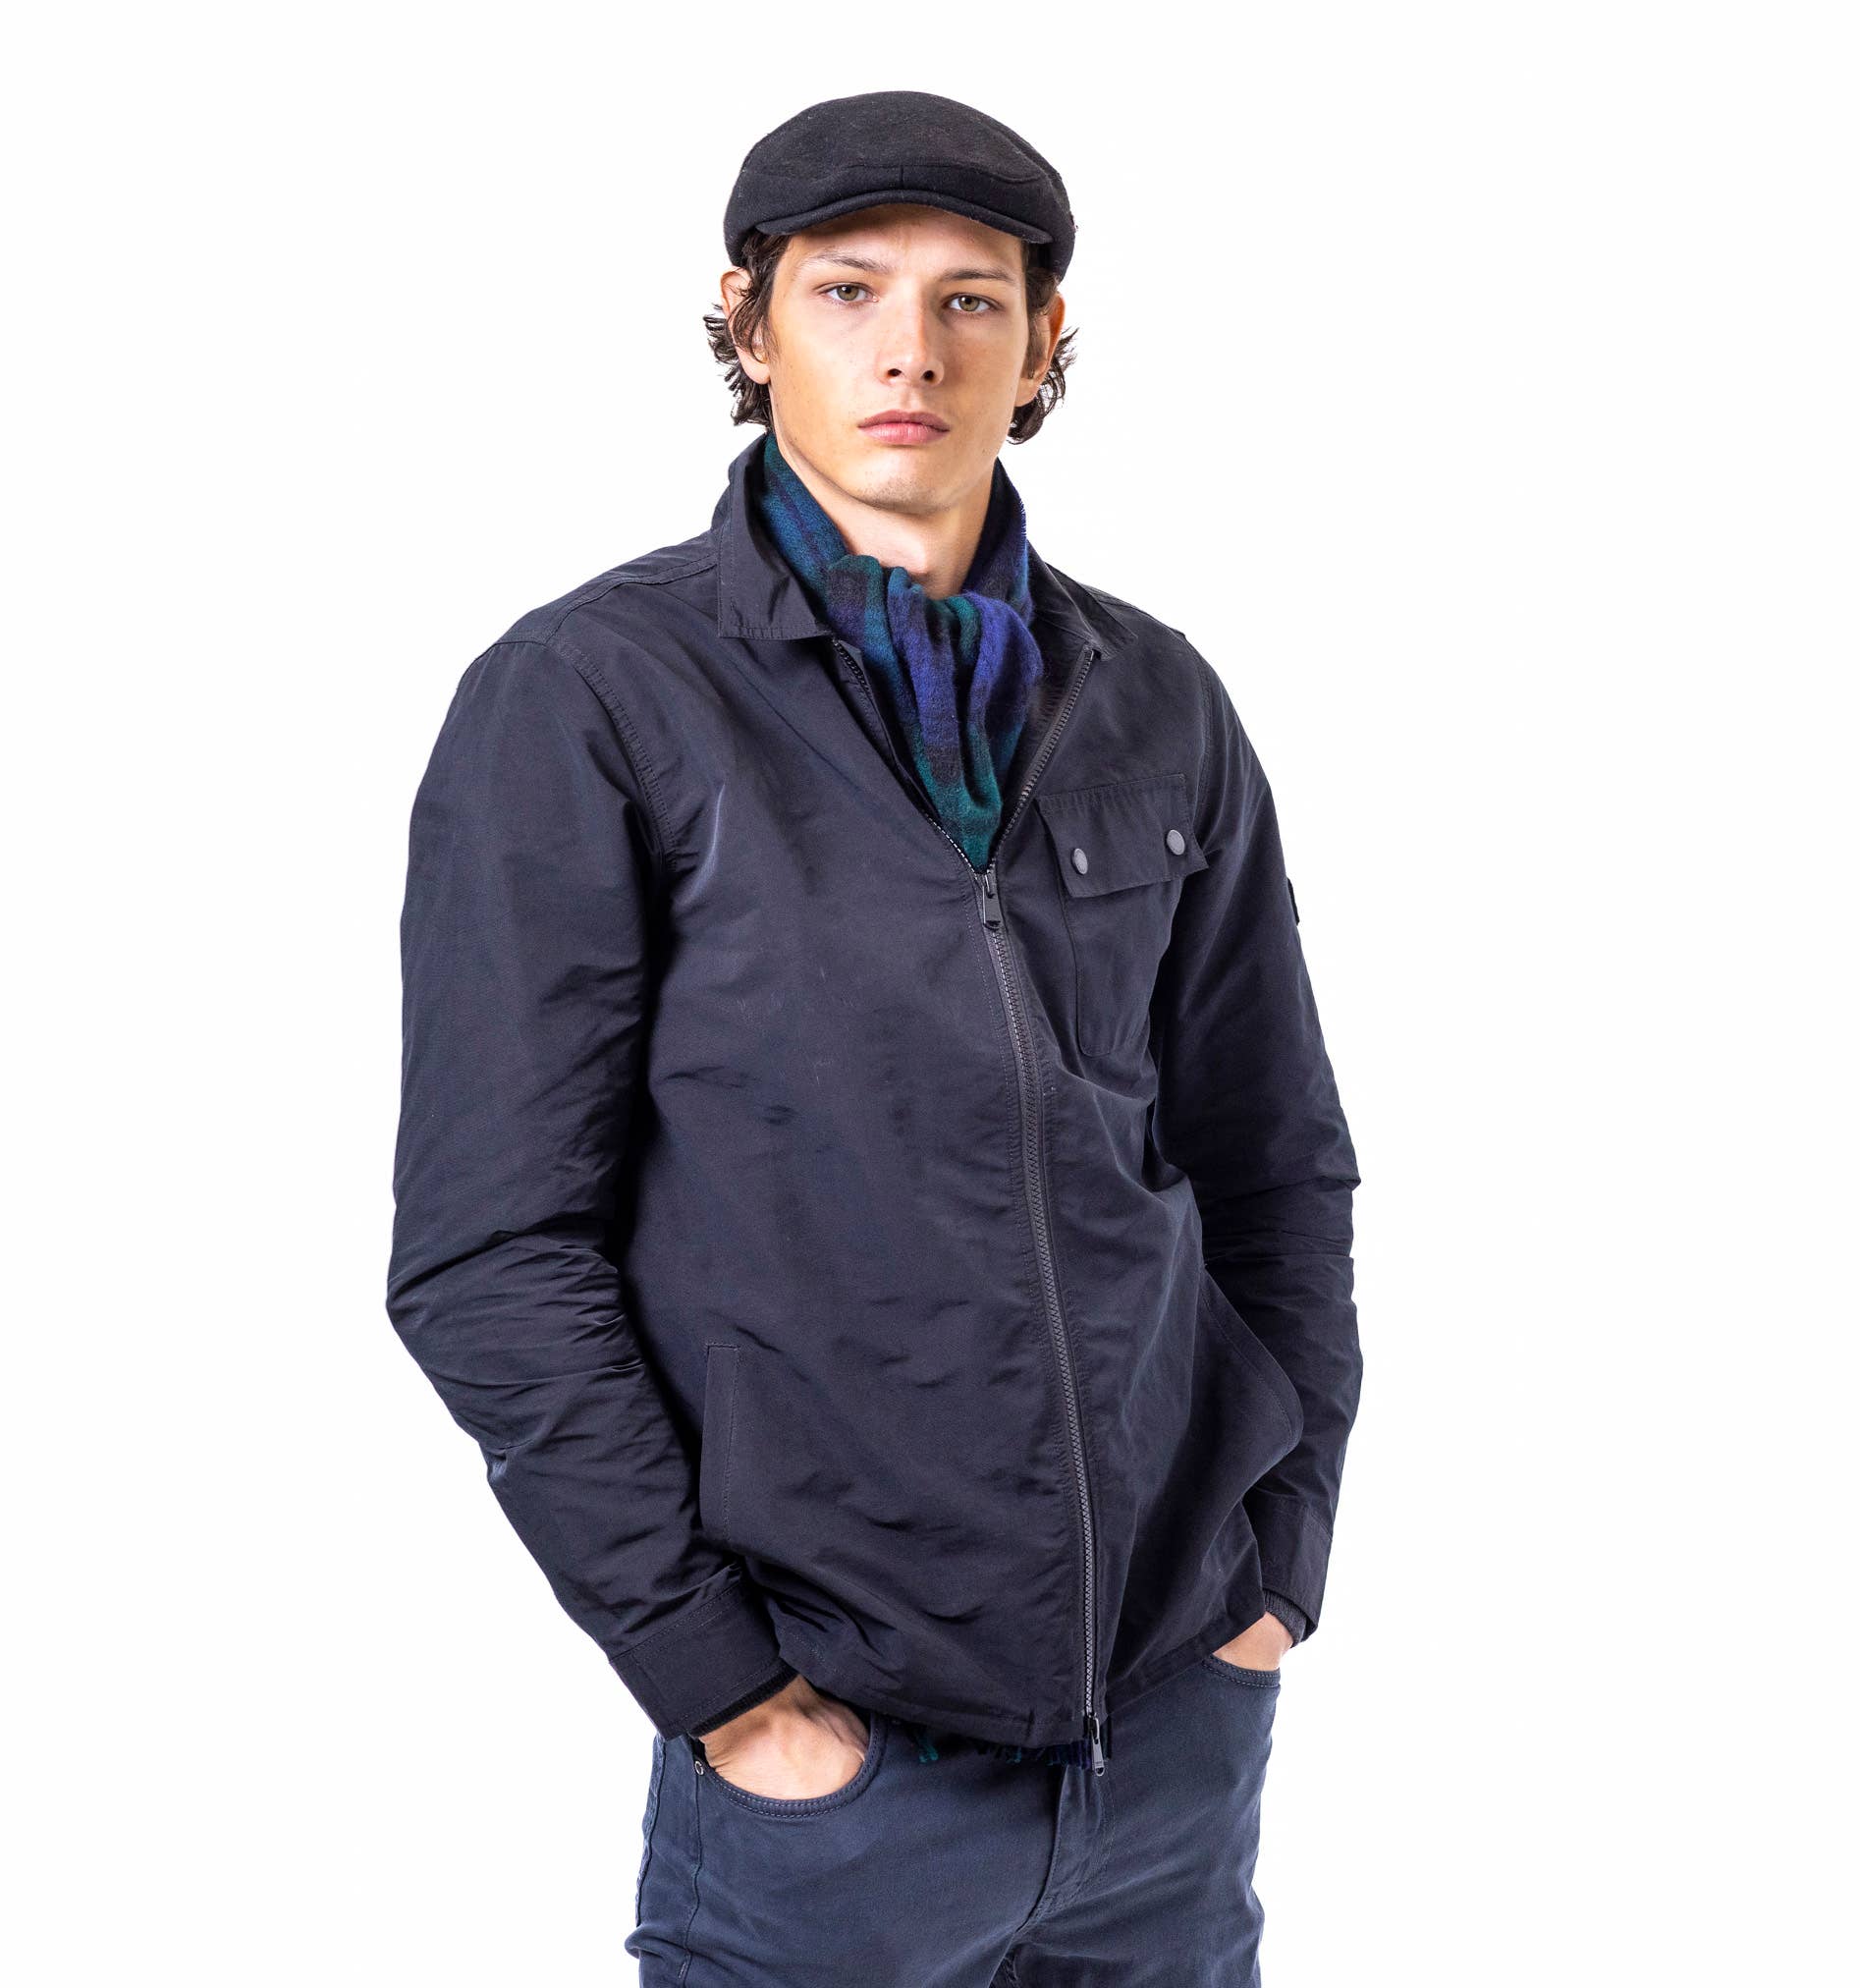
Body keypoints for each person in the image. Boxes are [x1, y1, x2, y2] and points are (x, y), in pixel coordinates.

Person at [386, 87, 1362, 1986]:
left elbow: (1274, 1163)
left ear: (1045, 341)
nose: (911, 350)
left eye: (970, 299)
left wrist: (1280, 1566)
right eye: (847, 292)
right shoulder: (590, 697)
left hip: (1172, 1735)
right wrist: (726, 1688)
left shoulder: (1160, 698)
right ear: (748, 324)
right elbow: (490, 1253)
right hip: (834, 1768)